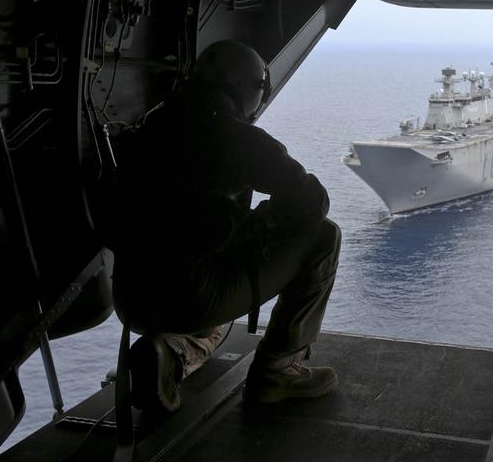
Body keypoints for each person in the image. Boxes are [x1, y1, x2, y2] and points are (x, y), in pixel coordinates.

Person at [111, 39, 340, 411]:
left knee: (212, 306)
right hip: (186, 297)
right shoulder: (236, 137)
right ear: (249, 90)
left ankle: (169, 351)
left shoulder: (149, 126)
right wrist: (260, 223)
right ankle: (277, 372)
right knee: (325, 236)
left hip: (131, 298)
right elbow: (314, 201)